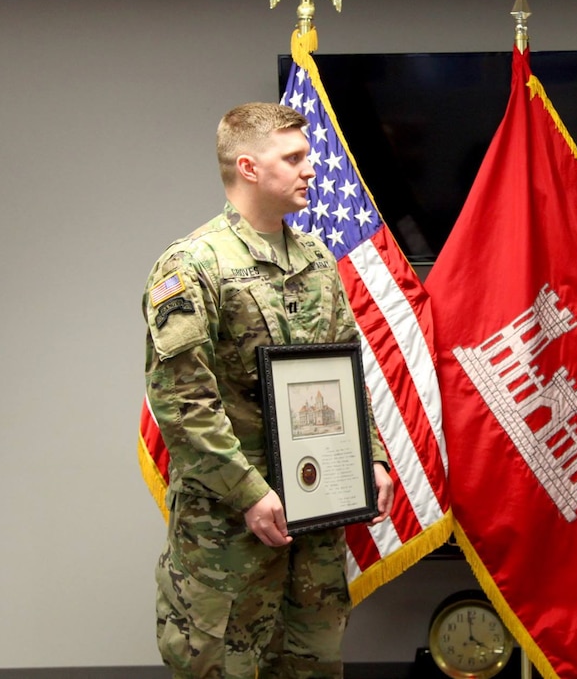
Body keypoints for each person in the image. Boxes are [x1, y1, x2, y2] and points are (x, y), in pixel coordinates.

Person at [142, 102, 394, 679]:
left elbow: (345, 372)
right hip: (229, 529)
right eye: (296, 158)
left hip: (315, 520)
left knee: (312, 665)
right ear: (250, 167)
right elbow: (183, 403)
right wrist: (249, 492)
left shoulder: (316, 261)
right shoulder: (193, 265)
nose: (312, 169)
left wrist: (370, 457)